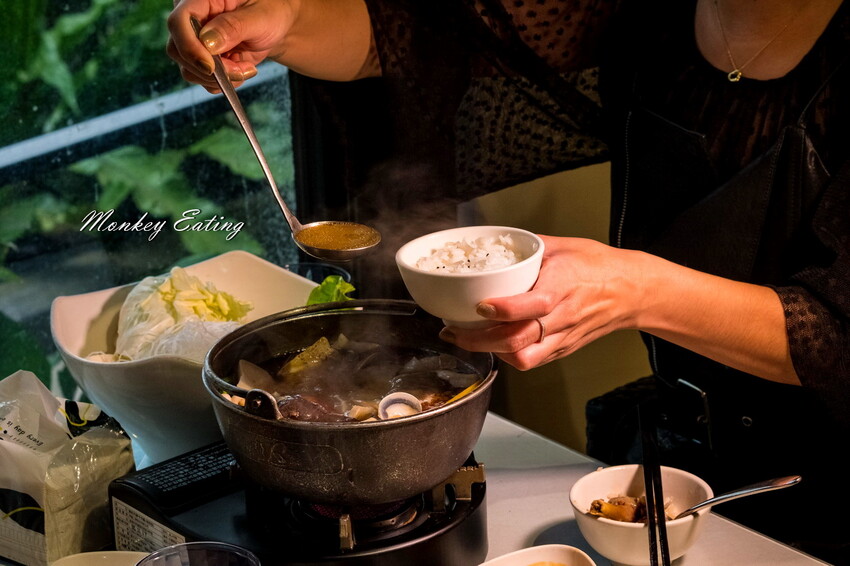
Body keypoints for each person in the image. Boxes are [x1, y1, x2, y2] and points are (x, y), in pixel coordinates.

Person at [167, 1, 850, 562]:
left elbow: (839, 338)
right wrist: (288, 20)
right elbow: (423, 29)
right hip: (690, 448)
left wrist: (639, 291)